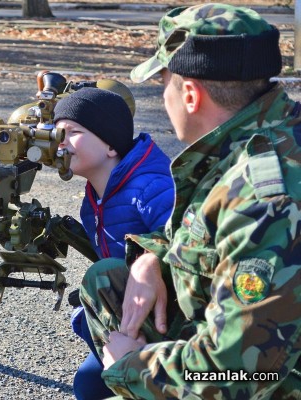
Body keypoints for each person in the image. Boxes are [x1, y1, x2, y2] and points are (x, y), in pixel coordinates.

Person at [79, 3, 301, 398]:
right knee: (108, 280)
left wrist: (129, 368)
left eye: (163, 81)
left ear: (191, 95)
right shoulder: (257, 136)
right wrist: (152, 256)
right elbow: (201, 237)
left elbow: (240, 372)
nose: (163, 98)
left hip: (271, 378)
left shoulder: (264, 196)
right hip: (254, 347)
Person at [52, 86, 174, 399]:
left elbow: (183, 238)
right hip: (136, 314)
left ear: (110, 146)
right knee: (89, 385)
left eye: (73, 131)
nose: (59, 141)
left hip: (173, 317)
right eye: (56, 132)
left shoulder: (150, 187)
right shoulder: (93, 200)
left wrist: (152, 259)